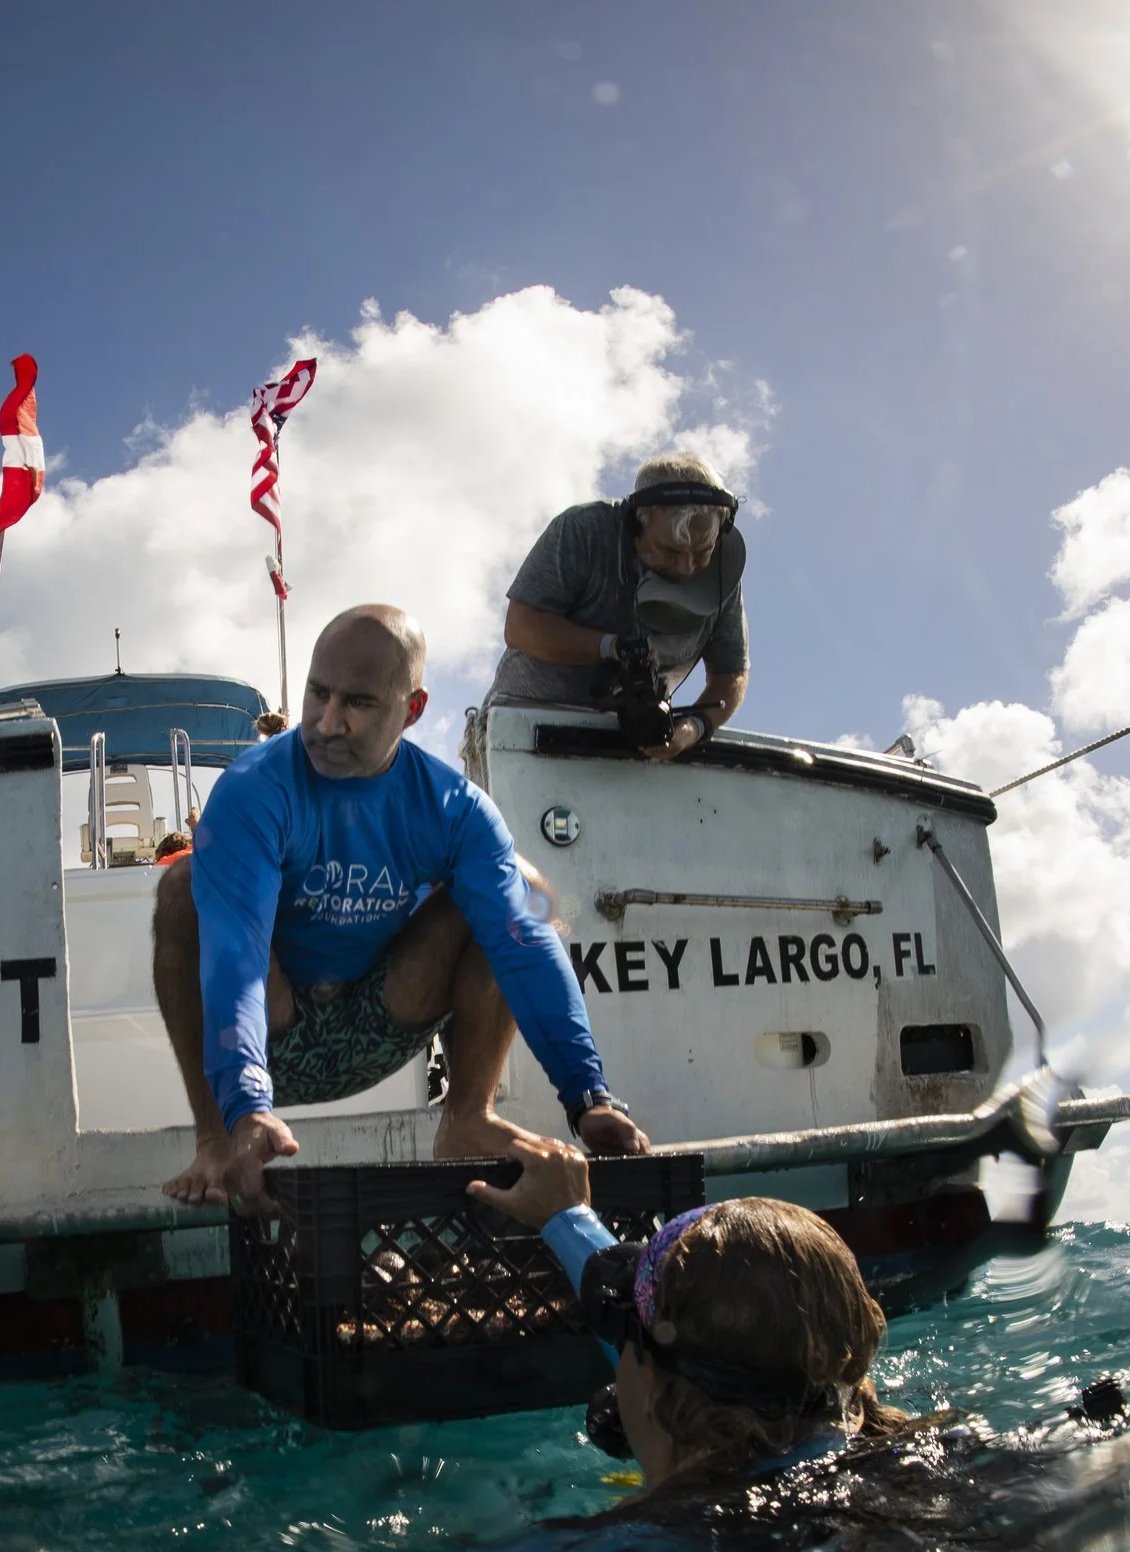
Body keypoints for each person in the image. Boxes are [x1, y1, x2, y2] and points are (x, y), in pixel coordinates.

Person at [156, 605, 651, 1206]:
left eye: (358, 704)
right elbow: (235, 959)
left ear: (412, 710)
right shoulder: (254, 790)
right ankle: (215, 1137)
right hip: (273, 1032)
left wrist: (586, 1095)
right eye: (318, 694)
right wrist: (245, 1106)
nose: (326, 723)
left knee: (525, 891)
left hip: (382, 1023)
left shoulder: (452, 807)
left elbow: (526, 941)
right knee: (182, 888)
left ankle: (468, 1116)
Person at [467, 1136, 897, 1496]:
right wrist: (568, 1220)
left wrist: (566, 1220)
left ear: (653, 1383)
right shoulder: (903, 1459)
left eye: (622, 1330)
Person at [469, 454, 747, 778]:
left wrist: (694, 727)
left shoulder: (722, 575)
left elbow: (731, 674)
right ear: (636, 524)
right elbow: (521, 626)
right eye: (670, 552)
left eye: (702, 552)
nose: (686, 568)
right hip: (524, 727)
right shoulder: (582, 531)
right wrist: (612, 647)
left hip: (626, 747)